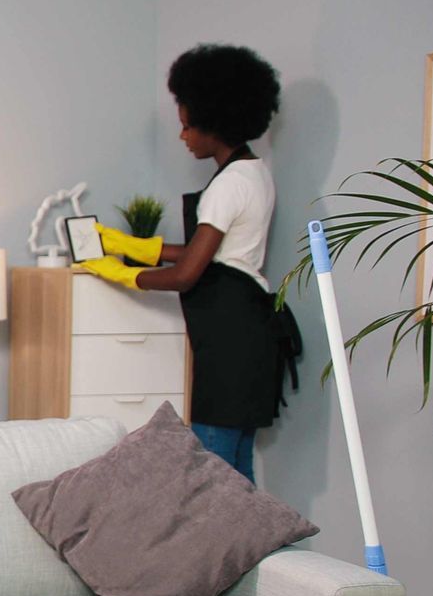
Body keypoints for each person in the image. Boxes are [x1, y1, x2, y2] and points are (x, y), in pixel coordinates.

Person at [80, 43, 288, 481]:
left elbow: (188, 272)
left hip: (230, 343)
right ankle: (248, 550)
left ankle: (218, 551)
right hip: (250, 334)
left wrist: (124, 274)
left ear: (215, 122)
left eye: (188, 126)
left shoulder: (229, 185)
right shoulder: (256, 173)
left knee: (210, 472)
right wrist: (132, 245)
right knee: (239, 472)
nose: (184, 136)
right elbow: (207, 251)